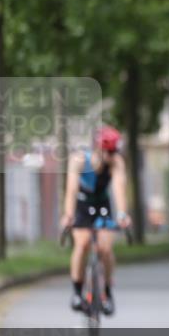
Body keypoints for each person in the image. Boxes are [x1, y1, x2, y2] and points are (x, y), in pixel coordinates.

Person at [59, 125, 132, 315]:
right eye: (108, 151)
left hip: (102, 205)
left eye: (114, 151)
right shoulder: (79, 160)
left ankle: (107, 291)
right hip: (82, 205)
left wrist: (123, 214)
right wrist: (68, 214)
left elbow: (118, 189)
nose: (111, 155)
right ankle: (77, 292)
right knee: (82, 244)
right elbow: (71, 190)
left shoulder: (116, 162)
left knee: (105, 248)